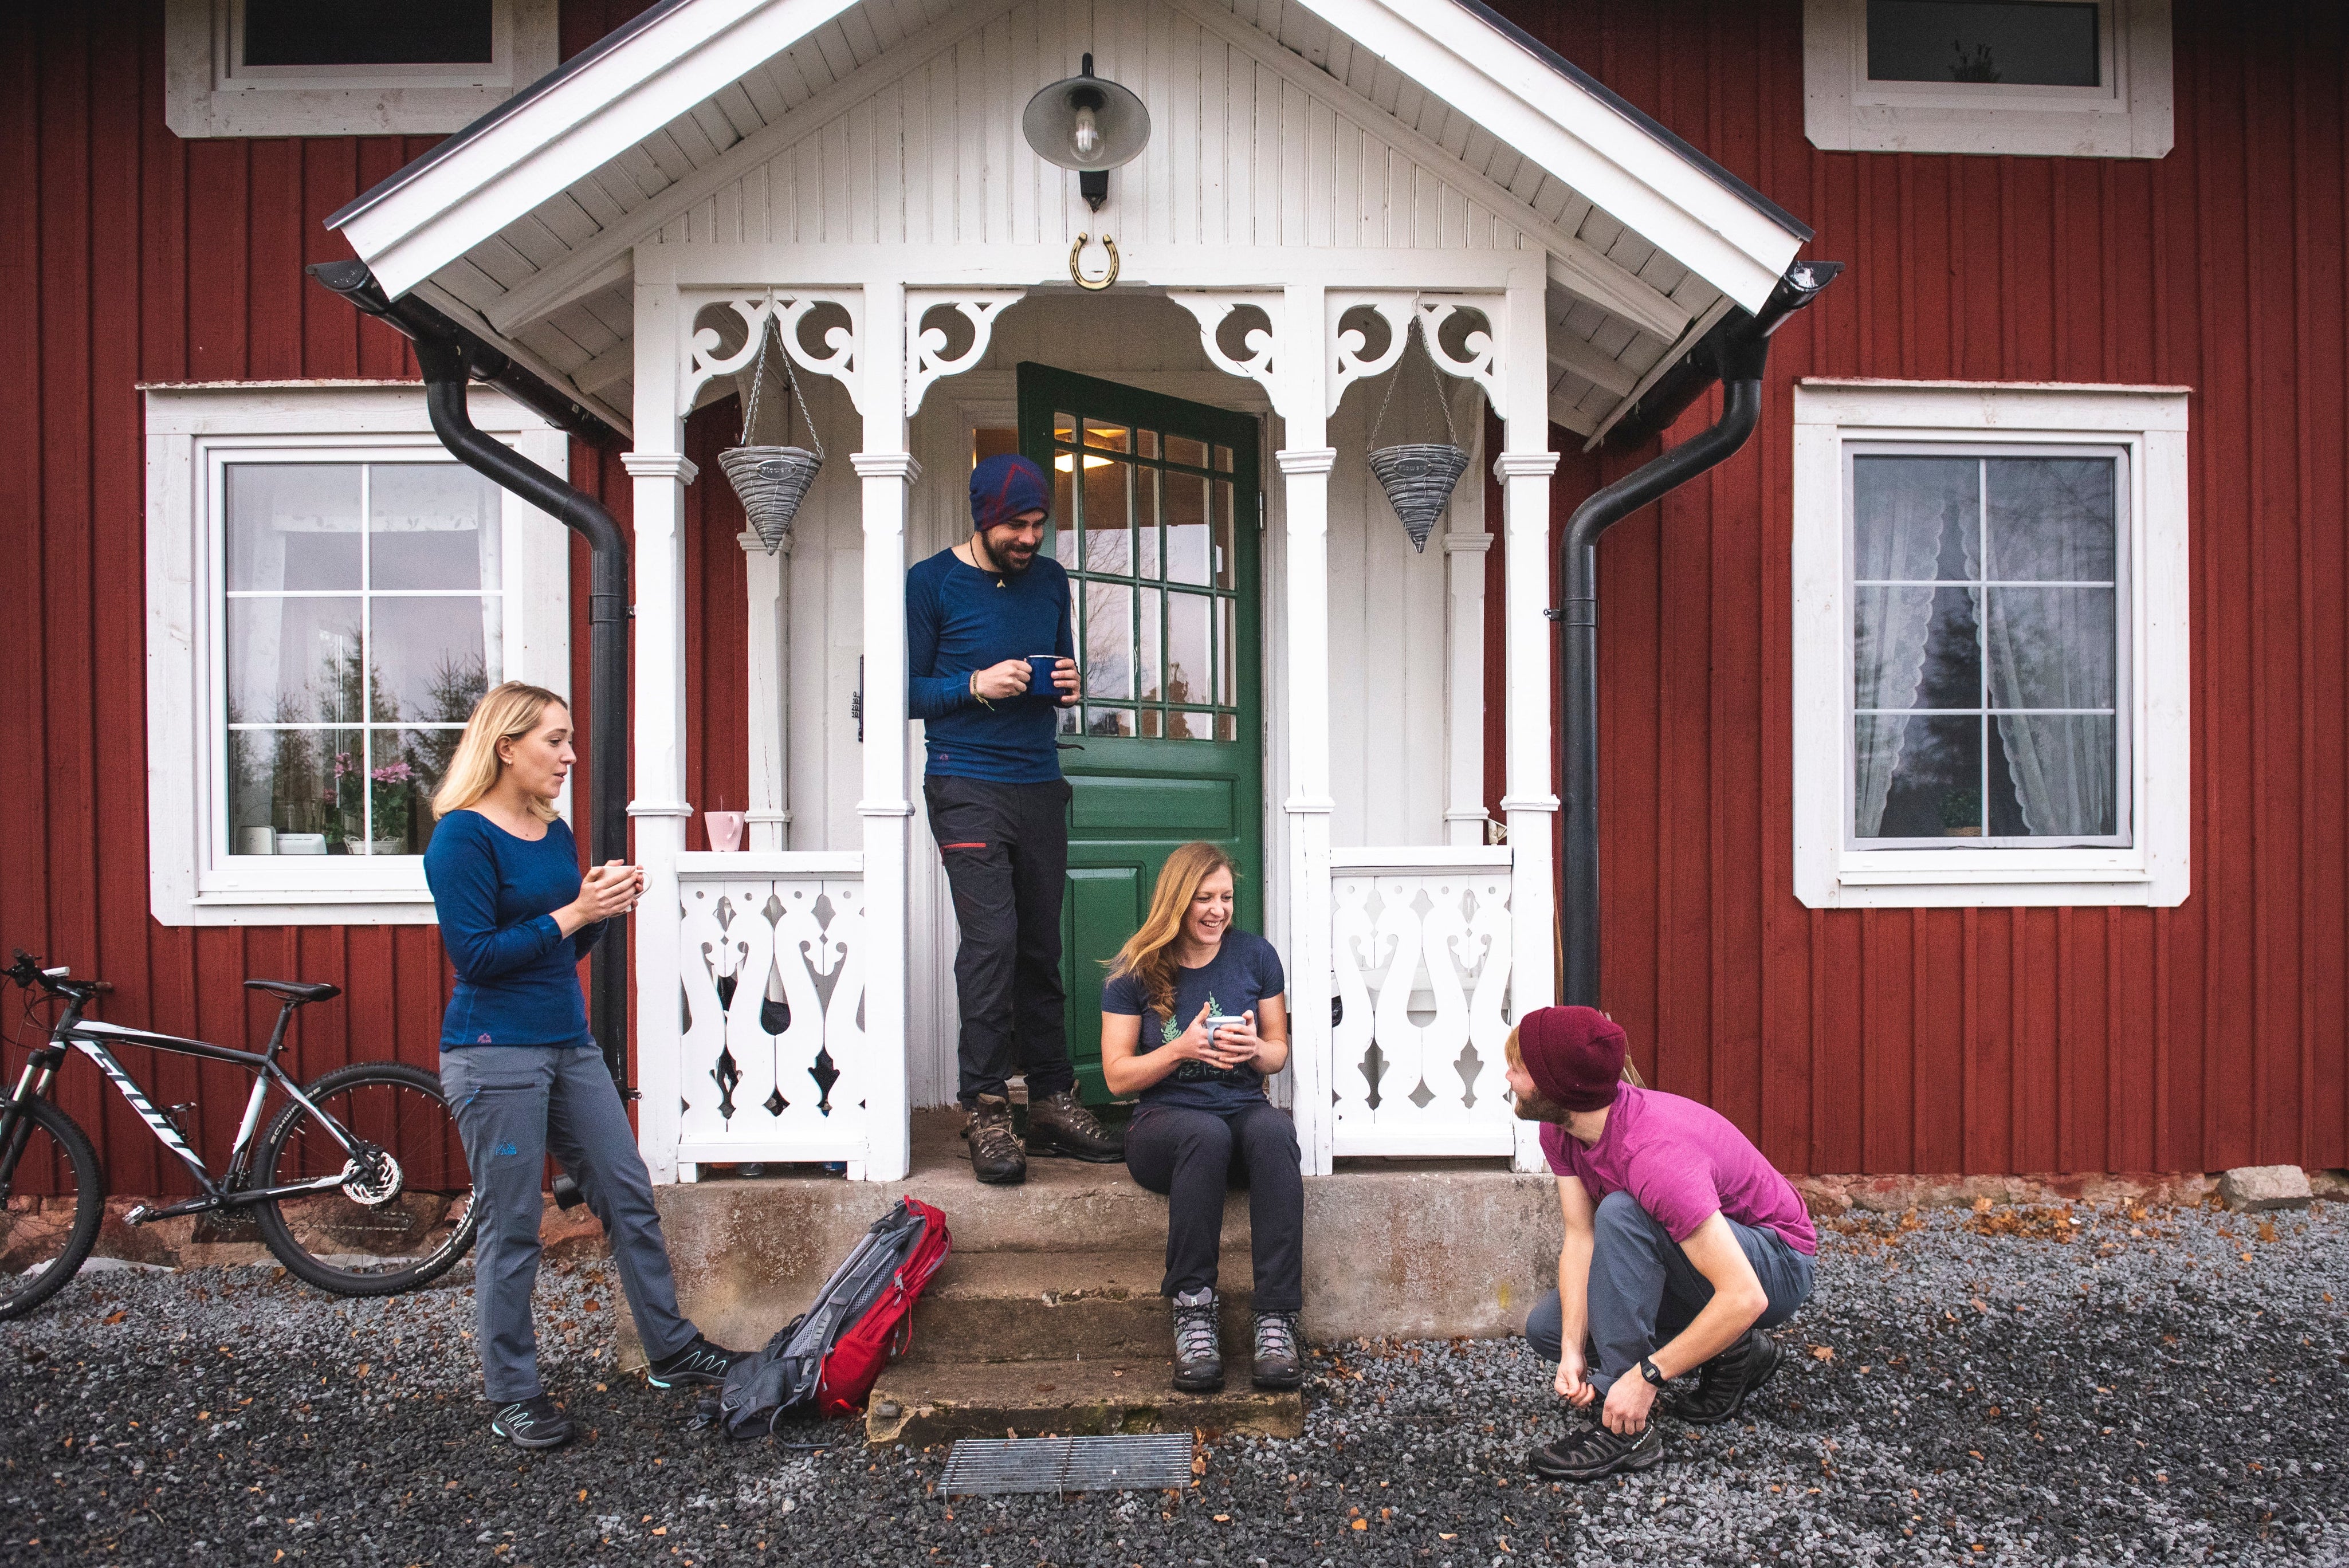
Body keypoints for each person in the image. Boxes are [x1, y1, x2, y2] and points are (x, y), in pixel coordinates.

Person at [423, 682, 741, 1451]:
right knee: (512, 1226)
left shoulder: (550, 830)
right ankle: (513, 1392)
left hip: (568, 1045)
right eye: (554, 740)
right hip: (494, 1053)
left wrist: (600, 910)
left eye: (571, 740)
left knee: (629, 1193)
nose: (569, 755)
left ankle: (670, 1347)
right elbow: (478, 956)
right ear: (506, 746)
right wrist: (573, 911)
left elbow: (558, 952)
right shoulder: (461, 839)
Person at [908, 451, 1124, 1184]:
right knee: (992, 941)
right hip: (965, 781)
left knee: (1038, 946)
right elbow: (903, 689)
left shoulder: (1053, 581)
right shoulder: (931, 582)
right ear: (982, 518)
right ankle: (986, 1106)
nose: (1030, 538)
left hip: (1038, 781)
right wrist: (973, 682)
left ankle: (1053, 1101)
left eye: (1038, 524)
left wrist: (1066, 682)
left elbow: (1061, 666)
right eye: (1016, 525)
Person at [1506, 1005, 1817, 1482]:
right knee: (1548, 1329)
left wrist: (1644, 1377)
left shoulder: (1654, 1155)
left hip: (1775, 1262)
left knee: (1623, 1212)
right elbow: (1580, 1235)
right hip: (1699, 1258)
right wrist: (1572, 1349)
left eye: (1521, 1068)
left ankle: (1627, 1431)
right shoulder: (1561, 1128)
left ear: (1560, 1087)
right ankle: (1732, 1348)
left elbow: (1745, 1294)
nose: (1507, 1075)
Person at [1100, 842, 1303, 1394]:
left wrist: (1253, 1049)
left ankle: (1277, 1318)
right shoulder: (1135, 972)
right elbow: (1116, 1077)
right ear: (1177, 901)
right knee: (1204, 1133)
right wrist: (1181, 1049)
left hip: (1241, 1111)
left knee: (1276, 1130)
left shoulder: (1257, 956)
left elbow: (1279, 1051)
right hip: (1164, 1125)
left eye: (1226, 897)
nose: (1218, 910)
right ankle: (1194, 1311)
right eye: (1205, 898)